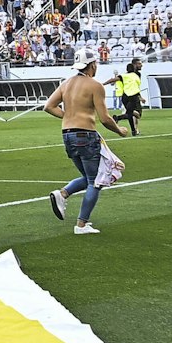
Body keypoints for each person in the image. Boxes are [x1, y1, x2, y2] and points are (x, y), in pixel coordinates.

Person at [46, 60, 130, 235]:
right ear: (92, 65)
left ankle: (63, 194)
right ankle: (81, 225)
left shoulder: (66, 83)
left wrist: (69, 116)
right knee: (95, 181)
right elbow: (105, 118)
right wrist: (120, 131)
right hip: (86, 135)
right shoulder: (95, 85)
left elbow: (49, 106)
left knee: (88, 176)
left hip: (67, 135)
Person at [113, 59, 145, 138]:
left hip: (127, 96)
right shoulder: (134, 75)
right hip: (132, 96)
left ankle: (134, 130)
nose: (141, 65)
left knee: (132, 114)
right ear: (134, 65)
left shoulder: (128, 75)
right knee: (137, 114)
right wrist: (140, 97)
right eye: (139, 64)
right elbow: (135, 86)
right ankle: (134, 129)